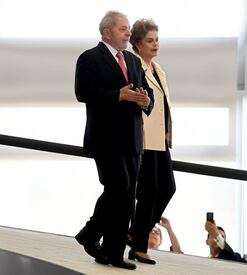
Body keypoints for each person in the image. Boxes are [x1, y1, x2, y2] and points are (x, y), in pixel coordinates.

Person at [74, 10, 153, 270]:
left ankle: (110, 250)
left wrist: (145, 100)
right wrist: (118, 96)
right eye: (123, 29)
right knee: (119, 187)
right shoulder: (89, 58)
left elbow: (146, 92)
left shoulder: (132, 59)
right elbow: (83, 93)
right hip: (105, 137)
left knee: (126, 194)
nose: (128, 33)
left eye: (128, 28)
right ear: (107, 32)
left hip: (132, 138)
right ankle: (93, 236)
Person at [127, 18, 176, 266]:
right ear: (137, 43)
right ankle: (139, 247)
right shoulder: (133, 64)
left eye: (157, 40)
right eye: (150, 40)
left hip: (161, 139)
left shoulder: (158, 69)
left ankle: (135, 233)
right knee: (148, 192)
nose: (155, 44)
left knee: (167, 188)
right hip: (144, 138)